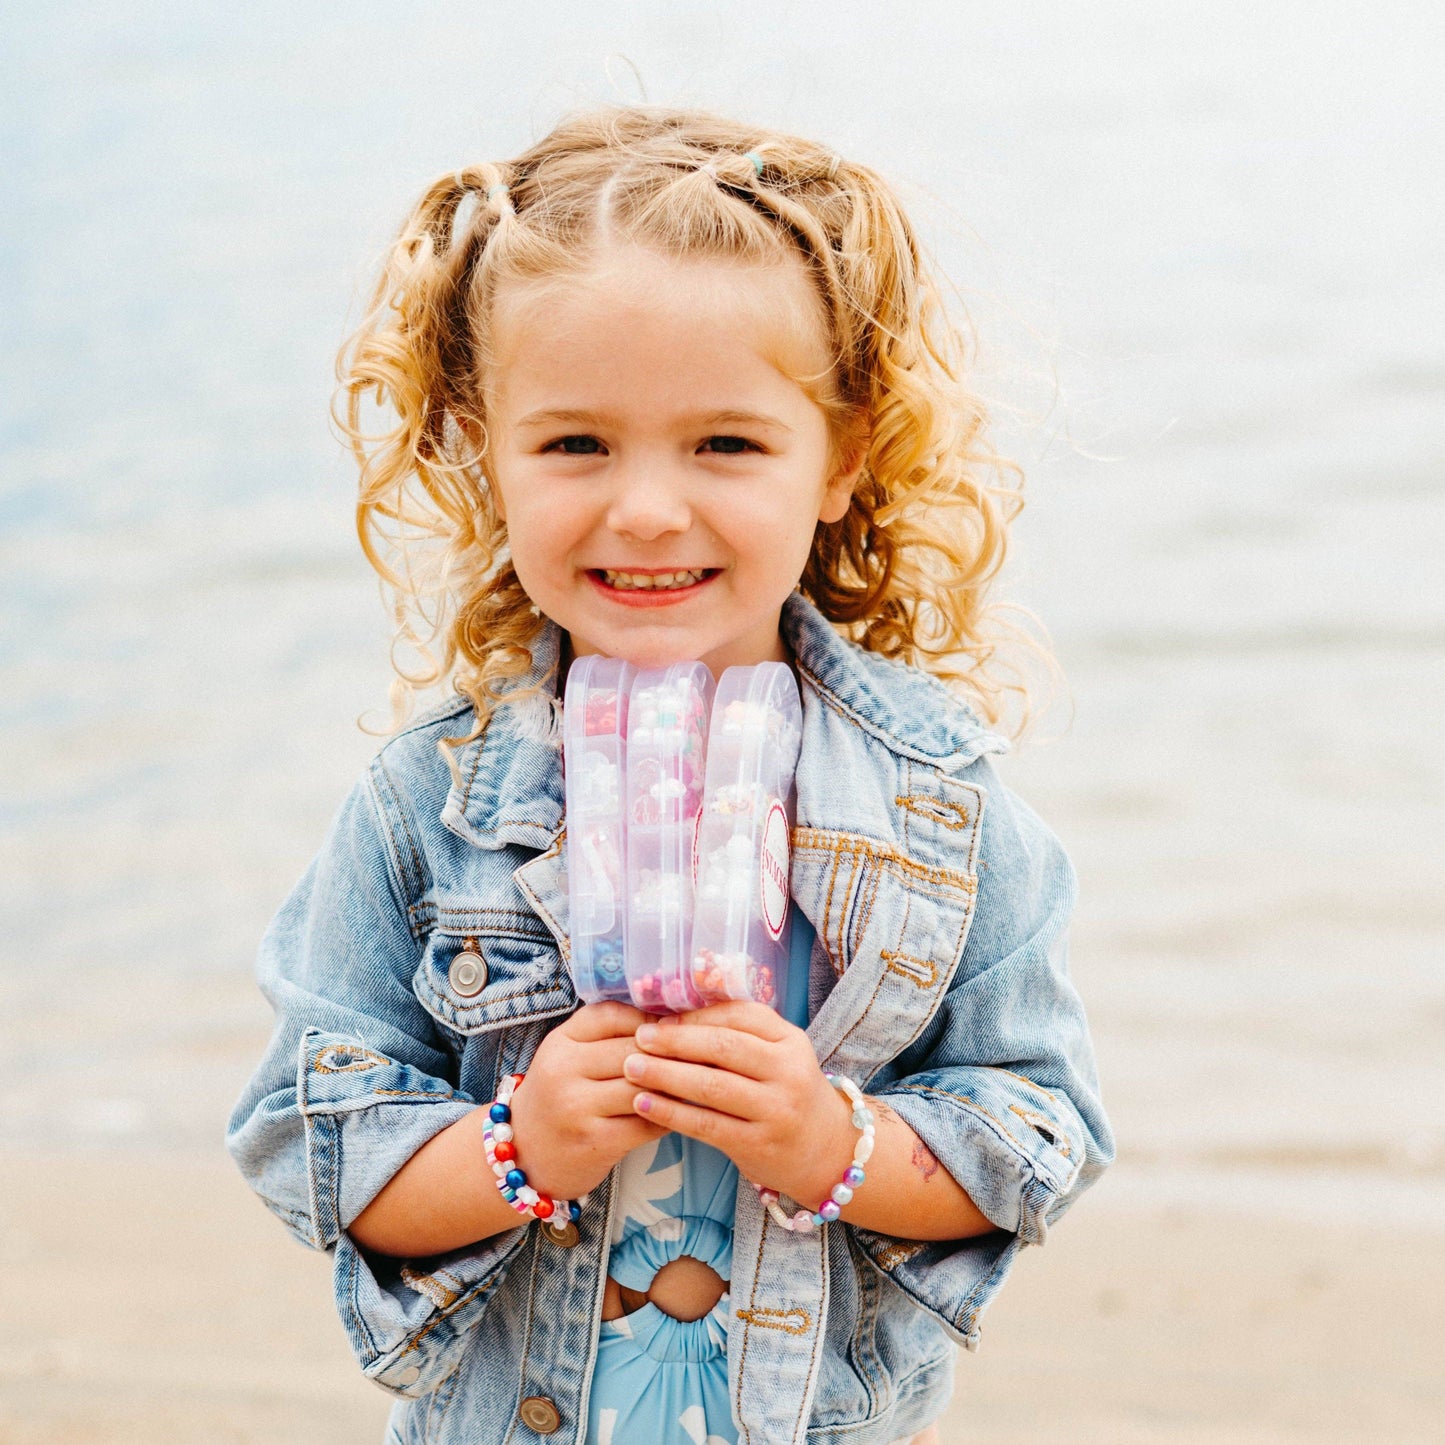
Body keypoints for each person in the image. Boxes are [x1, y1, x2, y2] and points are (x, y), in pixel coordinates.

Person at [227, 106, 1113, 1445]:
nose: (644, 506)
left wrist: (832, 1145)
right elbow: (314, 1144)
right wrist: (517, 1146)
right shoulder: (427, 807)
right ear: (483, 443)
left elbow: (1035, 1136)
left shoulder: (943, 805)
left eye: (726, 444)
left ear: (844, 455)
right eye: (575, 442)